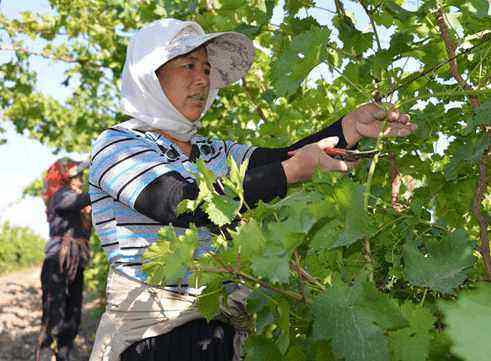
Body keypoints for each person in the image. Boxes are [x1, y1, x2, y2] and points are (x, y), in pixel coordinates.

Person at [88, 18, 416, 361]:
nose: (202, 79)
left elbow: (279, 159)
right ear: (150, 77)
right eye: (188, 66)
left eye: (206, 68)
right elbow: (177, 202)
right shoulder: (118, 145)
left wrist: (348, 127)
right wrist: (290, 171)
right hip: (153, 338)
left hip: (218, 330)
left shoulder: (214, 151)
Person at [36, 158, 92, 361]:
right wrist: (104, 187)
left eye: (81, 176)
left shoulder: (80, 202)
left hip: (76, 263)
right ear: (66, 178)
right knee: (54, 315)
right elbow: (78, 200)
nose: (81, 180)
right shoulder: (60, 195)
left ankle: (64, 356)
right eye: (77, 176)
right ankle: (43, 354)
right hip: (56, 263)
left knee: (73, 316)